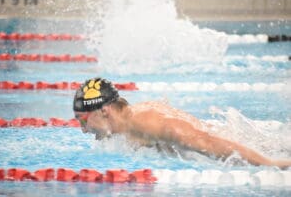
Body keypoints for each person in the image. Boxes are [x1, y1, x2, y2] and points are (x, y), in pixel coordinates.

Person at [73, 77, 291, 169]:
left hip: (231, 145)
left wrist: (270, 164)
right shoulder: (127, 123)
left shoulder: (148, 123)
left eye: (83, 120)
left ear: (104, 110)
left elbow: (208, 142)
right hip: (224, 139)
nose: (83, 129)